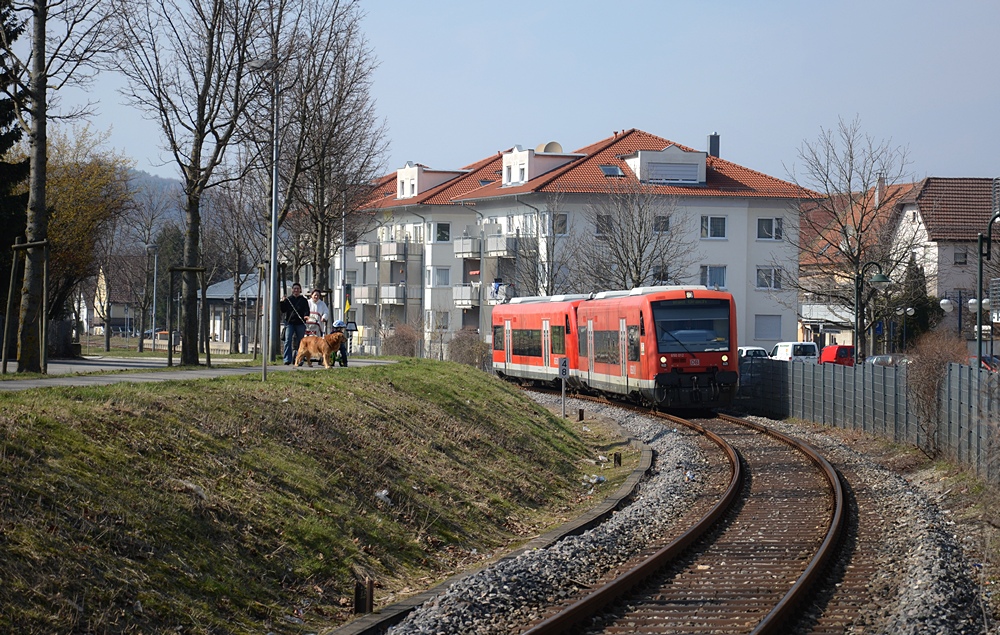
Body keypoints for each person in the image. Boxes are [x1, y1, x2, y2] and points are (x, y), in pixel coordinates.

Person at [278, 283, 310, 365]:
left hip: (300, 323)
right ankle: (287, 359)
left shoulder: (303, 300)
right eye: (294, 289)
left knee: (301, 342)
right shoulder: (288, 299)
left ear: (300, 290)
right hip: (290, 323)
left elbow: (306, 310)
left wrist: (306, 316)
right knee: (288, 340)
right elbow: (283, 310)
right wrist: (282, 302)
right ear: (292, 290)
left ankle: (300, 359)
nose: (296, 290)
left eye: (298, 289)